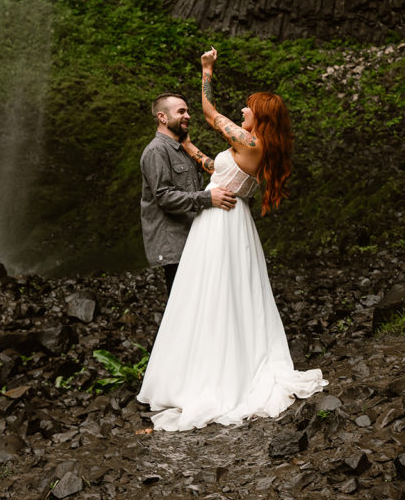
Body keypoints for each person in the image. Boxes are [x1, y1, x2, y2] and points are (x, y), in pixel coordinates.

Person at [137, 47, 327, 431]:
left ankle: (211, 374)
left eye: (248, 108)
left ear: (260, 116)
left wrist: (206, 70)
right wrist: (189, 148)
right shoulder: (250, 146)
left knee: (213, 293)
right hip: (223, 215)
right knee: (220, 293)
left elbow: (208, 112)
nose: (242, 110)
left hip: (221, 220)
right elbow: (216, 168)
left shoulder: (251, 142)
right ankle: (211, 364)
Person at [140, 93, 238, 295]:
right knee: (182, 307)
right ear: (162, 117)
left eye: (188, 111)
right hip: (174, 246)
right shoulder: (156, 151)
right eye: (181, 111)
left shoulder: (182, 149)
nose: (188, 116)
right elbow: (164, 197)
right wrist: (208, 198)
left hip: (193, 240)